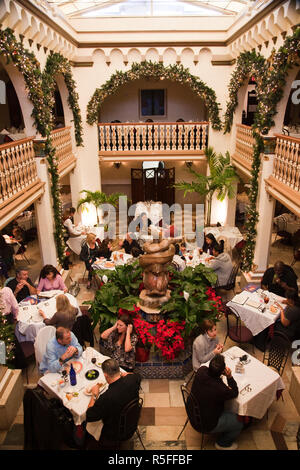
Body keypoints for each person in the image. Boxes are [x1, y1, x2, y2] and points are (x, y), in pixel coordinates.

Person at [190, 354, 243, 450]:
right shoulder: (221, 389)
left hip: (192, 412)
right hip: (206, 424)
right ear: (222, 372)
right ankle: (223, 443)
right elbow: (234, 392)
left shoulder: (201, 371)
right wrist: (230, 377)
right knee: (239, 422)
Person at [85, 358, 141, 448]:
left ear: (105, 375)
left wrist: (94, 395)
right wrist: (126, 374)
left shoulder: (106, 398)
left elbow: (89, 416)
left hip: (115, 431)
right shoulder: (133, 379)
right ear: (119, 370)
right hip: (132, 420)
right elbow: (138, 376)